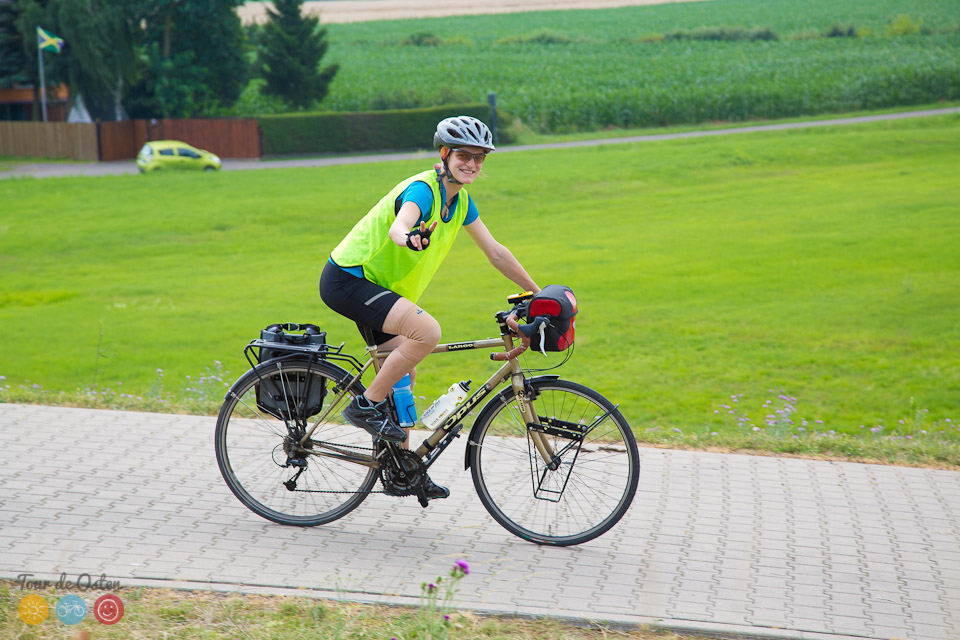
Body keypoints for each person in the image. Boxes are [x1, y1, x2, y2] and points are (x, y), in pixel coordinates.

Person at [320, 115, 540, 499]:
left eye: (479, 157)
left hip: (378, 287)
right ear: (444, 154)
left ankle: (401, 470)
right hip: (349, 279)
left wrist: (537, 293)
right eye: (464, 155)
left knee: (404, 374)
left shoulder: (461, 200)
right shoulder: (424, 191)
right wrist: (409, 237)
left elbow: (495, 252)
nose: (472, 163)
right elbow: (399, 226)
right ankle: (364, 407)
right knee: (427, 332)